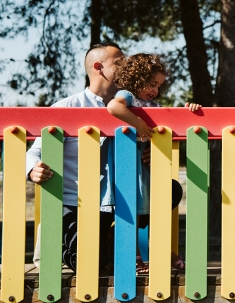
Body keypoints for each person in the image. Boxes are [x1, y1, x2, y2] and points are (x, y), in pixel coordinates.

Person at [26, 42, 125, 273]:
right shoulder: (66, 108)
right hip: (74, 203)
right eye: (120, 63)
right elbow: (34, 152)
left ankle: (110, 240)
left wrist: (148, 153)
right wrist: (33, 169)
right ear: (98, 67)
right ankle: (57, 238)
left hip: (114, 204)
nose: (127, 67)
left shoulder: (132, 108)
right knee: (88, 264)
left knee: (170, 189)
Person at [107, 53, 201, 272]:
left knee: (154, 212)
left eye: (159, 85)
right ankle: (134, 256)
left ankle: (160, 252)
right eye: (151, 84)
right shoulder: (128, 96)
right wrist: (138, 123)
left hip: (148, 170)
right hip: (130, 168)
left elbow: (174, 125)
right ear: (136, 79)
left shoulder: (154, 105)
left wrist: (191, 111)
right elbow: (113, 107)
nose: (155, 90)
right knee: (133, 212)